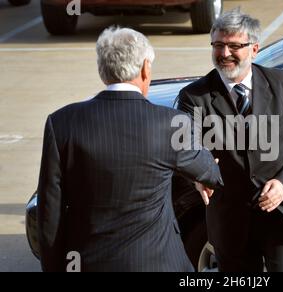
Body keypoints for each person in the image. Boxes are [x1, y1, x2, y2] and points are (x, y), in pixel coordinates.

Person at [37, 27, 223, 272]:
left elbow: (49, 211)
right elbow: (211, 173)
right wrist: (196, 176)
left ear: (103, 70)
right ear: (146, 68)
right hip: (157, 263)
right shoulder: (170, 124)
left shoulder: (62, 123)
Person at [177, 9, 283, 272]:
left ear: (254, 49)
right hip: (230, 224)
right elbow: (185, 147)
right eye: (219, 45)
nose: (224, 54)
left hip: (282, 217)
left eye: (234, 46)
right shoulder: (194, 96)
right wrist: (198, 173)